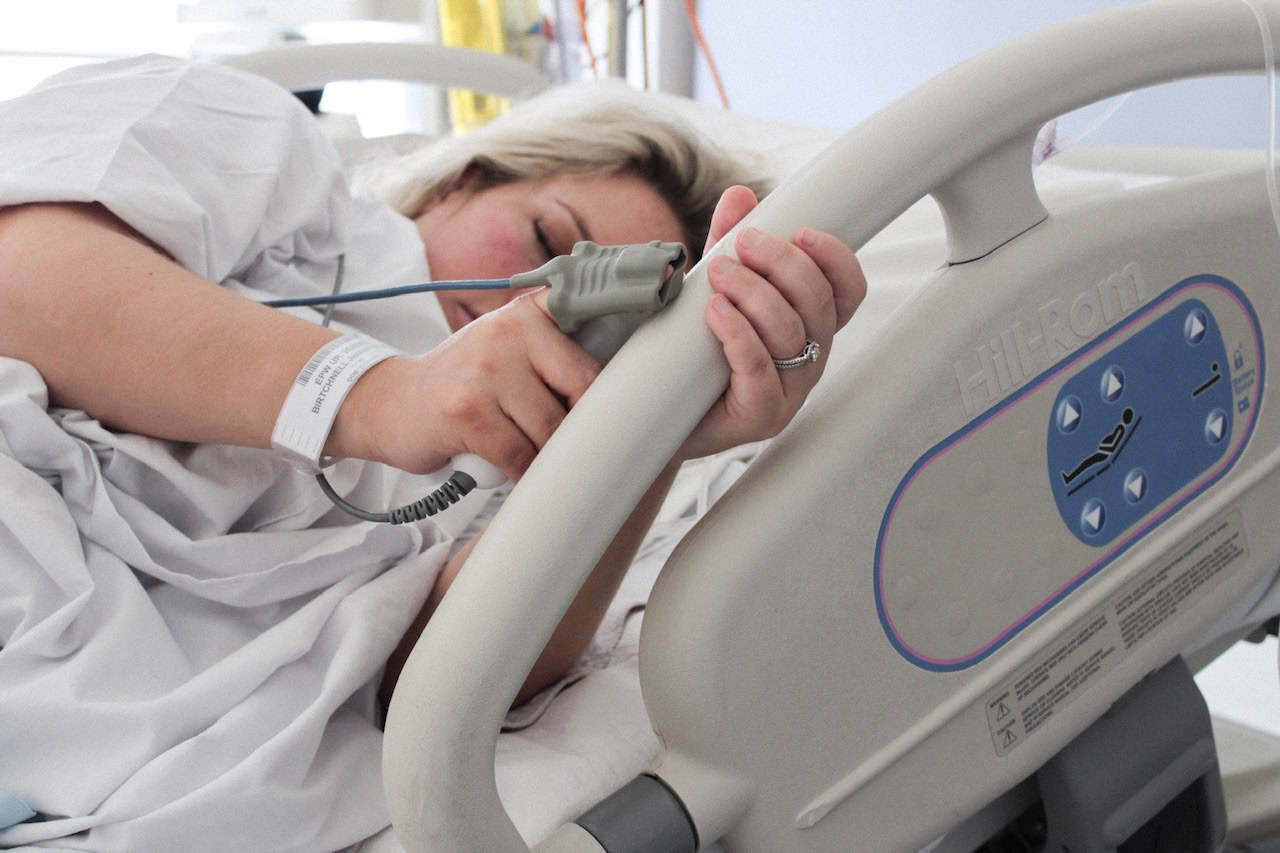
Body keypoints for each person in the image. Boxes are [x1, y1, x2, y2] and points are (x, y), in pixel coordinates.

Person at [0, 54, 864, 851]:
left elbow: (438, 682)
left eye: (609, 323)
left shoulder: (524, 461)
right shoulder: (269, 157)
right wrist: (375, 395)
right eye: (547, 241)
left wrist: (652, 419)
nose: (555, 301)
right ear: (463, 179)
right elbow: (20, 268)